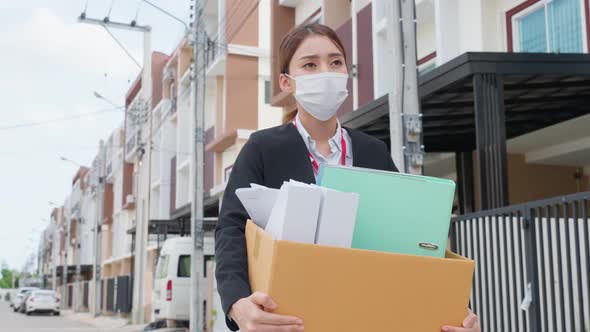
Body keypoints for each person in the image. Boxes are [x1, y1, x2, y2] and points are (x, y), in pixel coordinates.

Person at [215, 23, 480, 332]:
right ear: (287, 82)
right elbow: (231, 230)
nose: (325, 71)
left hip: (364, 316)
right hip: (289, 319)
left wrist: (455, 310)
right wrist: (238, 304)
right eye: (310, 64)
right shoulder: (262, 148)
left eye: (335, 61)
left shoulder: (373, 151)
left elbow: (408, 238)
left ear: (346, 74)